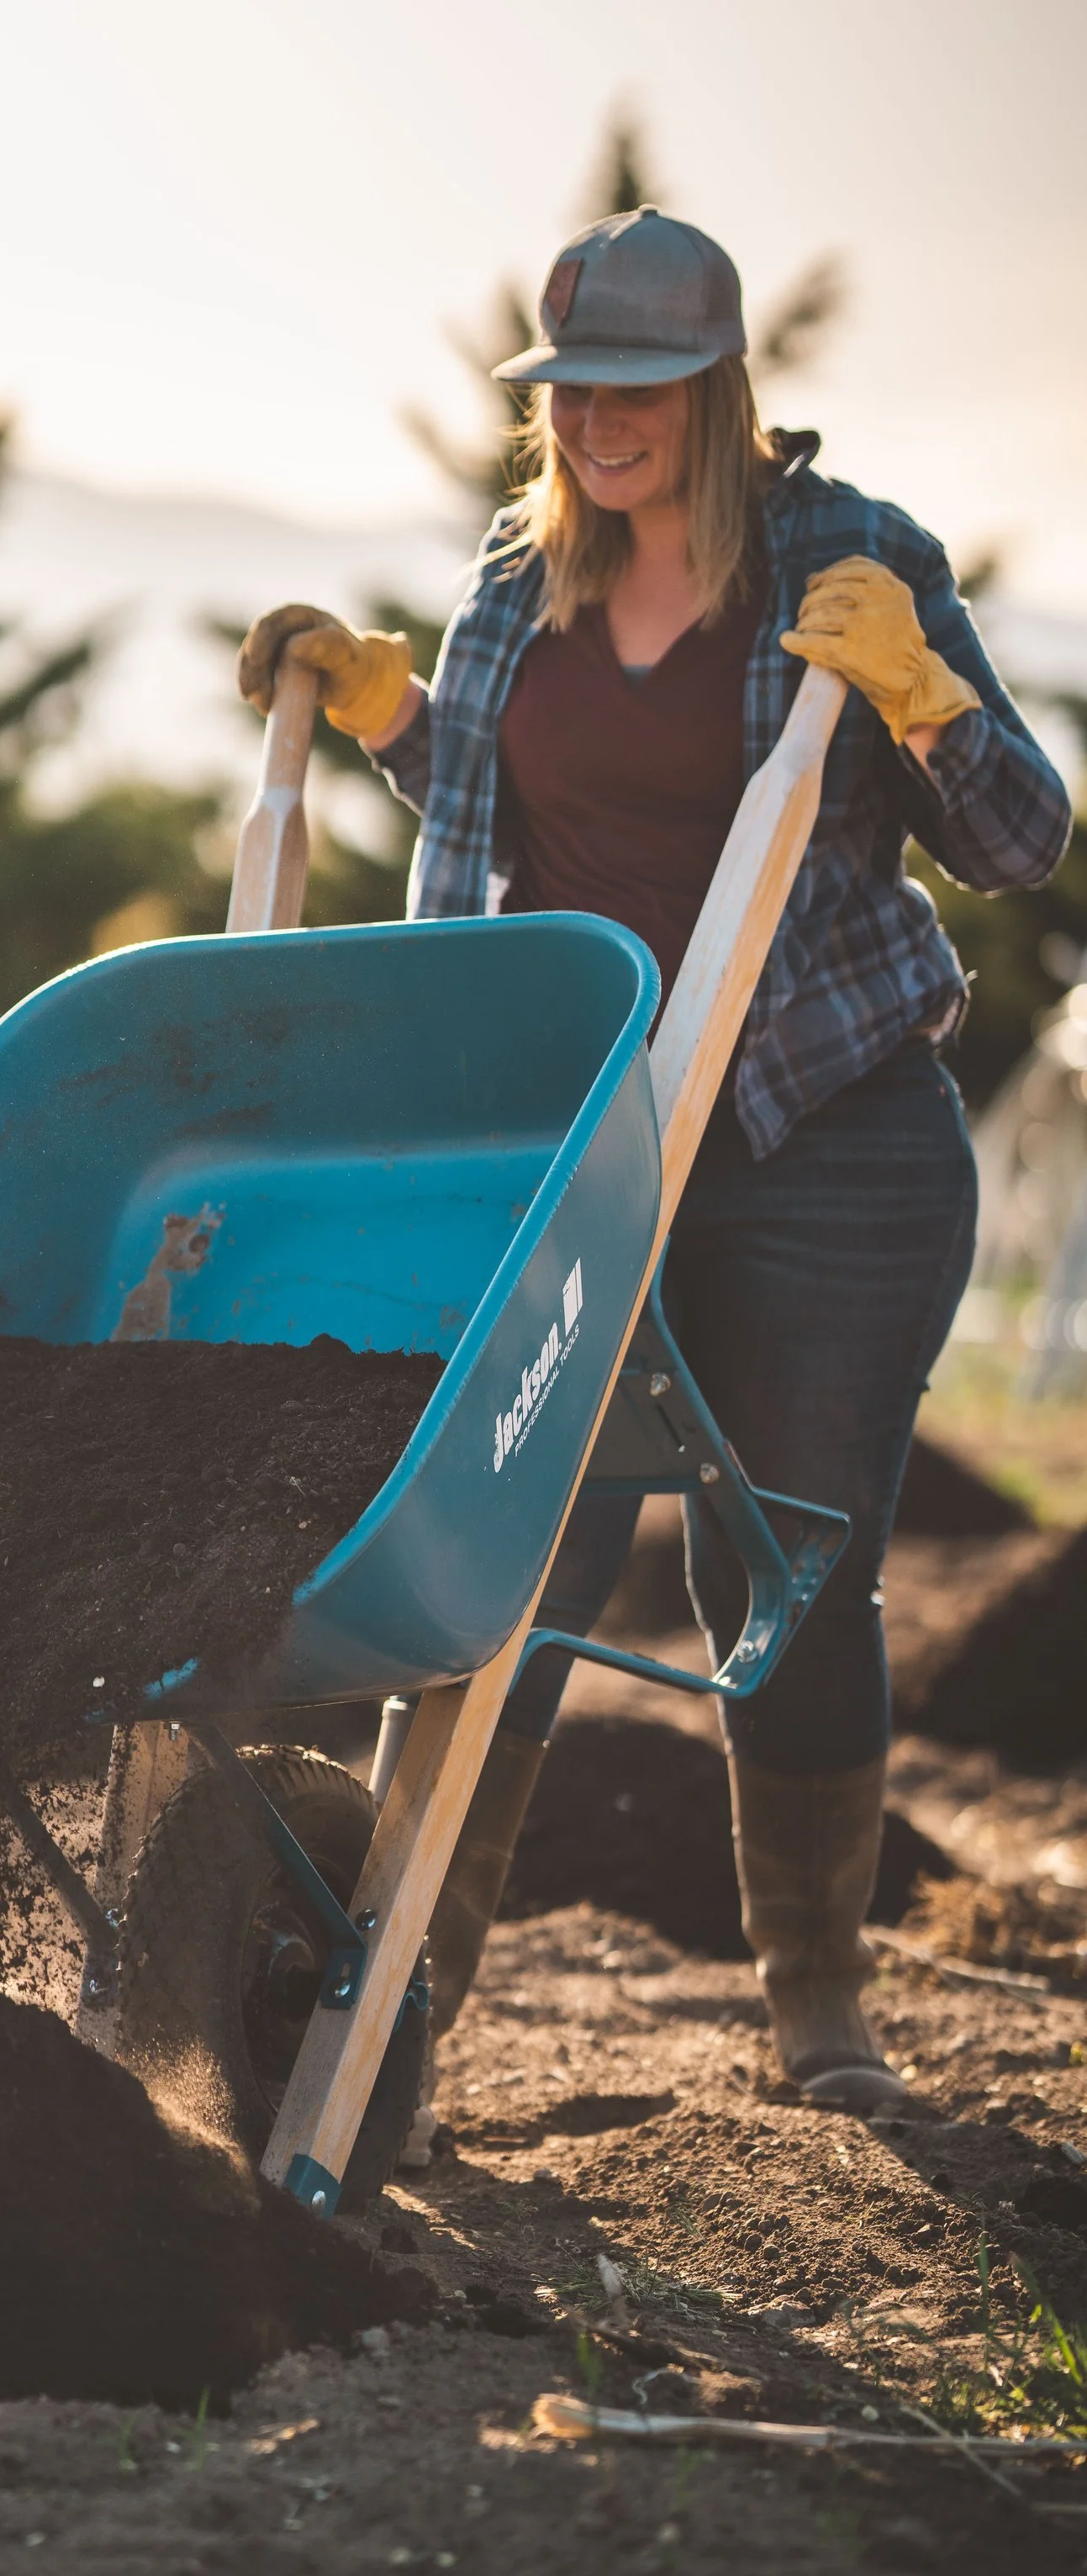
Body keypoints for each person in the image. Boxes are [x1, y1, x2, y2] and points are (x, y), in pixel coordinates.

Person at [239, 207, 1072, 2119]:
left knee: (778, 1564)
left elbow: (1020, 839)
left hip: (821, 1133)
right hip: (593, 1132)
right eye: (570, 391)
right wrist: (388, 714)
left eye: (635, 386)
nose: (598, 423)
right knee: (500, 1540)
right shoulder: (515, 578)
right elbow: (514, 819)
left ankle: (815, 2012)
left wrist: (925, 699)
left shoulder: (853, 558)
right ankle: (388, 2000)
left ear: (712, 386)